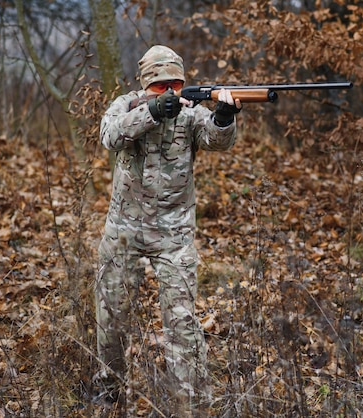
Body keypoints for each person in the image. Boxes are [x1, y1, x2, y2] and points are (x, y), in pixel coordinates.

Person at [93, 45, 241, 412]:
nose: (171, 92)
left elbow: (215, 139)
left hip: (174, 235)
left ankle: (190, 403)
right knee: (110, 317)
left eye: (176, 83)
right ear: (145, 86)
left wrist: (223, 116)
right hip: (124, 231)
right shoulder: (126, 105)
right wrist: (152, 111)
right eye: (161, 87)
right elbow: (110, 136)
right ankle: (109, 389)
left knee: (182, 324)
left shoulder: (192, 114)